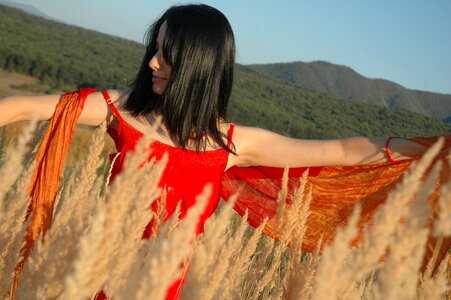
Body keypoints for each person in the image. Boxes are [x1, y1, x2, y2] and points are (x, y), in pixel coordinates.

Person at [0, 4, 448, 300]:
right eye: (154, 51)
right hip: (101, 278)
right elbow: (23, 104)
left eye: (166, 55)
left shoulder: (230, 144)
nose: (153, 63)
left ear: (197, 65)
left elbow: (342, 149)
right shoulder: (123, 111)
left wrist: (427, 154)